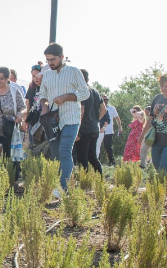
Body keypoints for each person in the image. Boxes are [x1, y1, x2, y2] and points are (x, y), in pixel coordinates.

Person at [38, 43, 90, 196]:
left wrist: (67, 97)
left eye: (52, 59)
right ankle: (62, 183)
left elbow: (85, 93)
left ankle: (63, 187)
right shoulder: (47, 74)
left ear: (61, 57)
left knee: (65, 150)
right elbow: (42, 95)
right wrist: (45, 106)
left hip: (71, 117)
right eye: (47, 60)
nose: (50, 63)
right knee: (56, 154)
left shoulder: (74, 72)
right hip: (52, 120)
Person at [0, 67, 27, 184]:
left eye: (1, 79)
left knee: (11, 157)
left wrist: (19, 114)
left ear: (8, 79)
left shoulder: (14, 91)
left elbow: (23, 107)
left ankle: (12, 181)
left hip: (9, 129)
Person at [75, 69, 105, 174]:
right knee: (92, 157)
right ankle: (99, 179)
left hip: (84, 129)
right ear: (87, 79)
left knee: (82, 157)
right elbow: (104, 109)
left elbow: (81, 111)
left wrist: (77, 130)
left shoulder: (81, 92)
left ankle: (85, 181)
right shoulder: (95, 91)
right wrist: (96, 119)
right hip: (94, 128)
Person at [99, 95, 122, 165]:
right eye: (104, 99)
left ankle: (111, 161)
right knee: (98, 146)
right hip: (99, 131)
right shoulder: (97, 108)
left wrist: (120, 127)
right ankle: (97, 161)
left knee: (108, 147)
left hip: (109, 131)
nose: (106, 101)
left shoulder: (112, 108)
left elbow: (117, 118)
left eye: (107, 99)